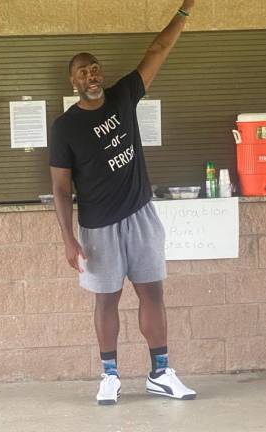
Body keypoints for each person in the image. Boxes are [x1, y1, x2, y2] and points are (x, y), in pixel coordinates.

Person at [49, 0, 197, 405]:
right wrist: (68, 238)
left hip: (141, 215)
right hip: (97, 228)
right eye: (82, 70)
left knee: (153, 294)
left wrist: (184, 10)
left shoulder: (123, 96)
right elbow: (61, 189)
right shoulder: (64, 128)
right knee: (106, 299)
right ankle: (110, 375)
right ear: (72, 82)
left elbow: (157, 51)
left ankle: (161, 372)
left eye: (94, 67)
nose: (90, 74)